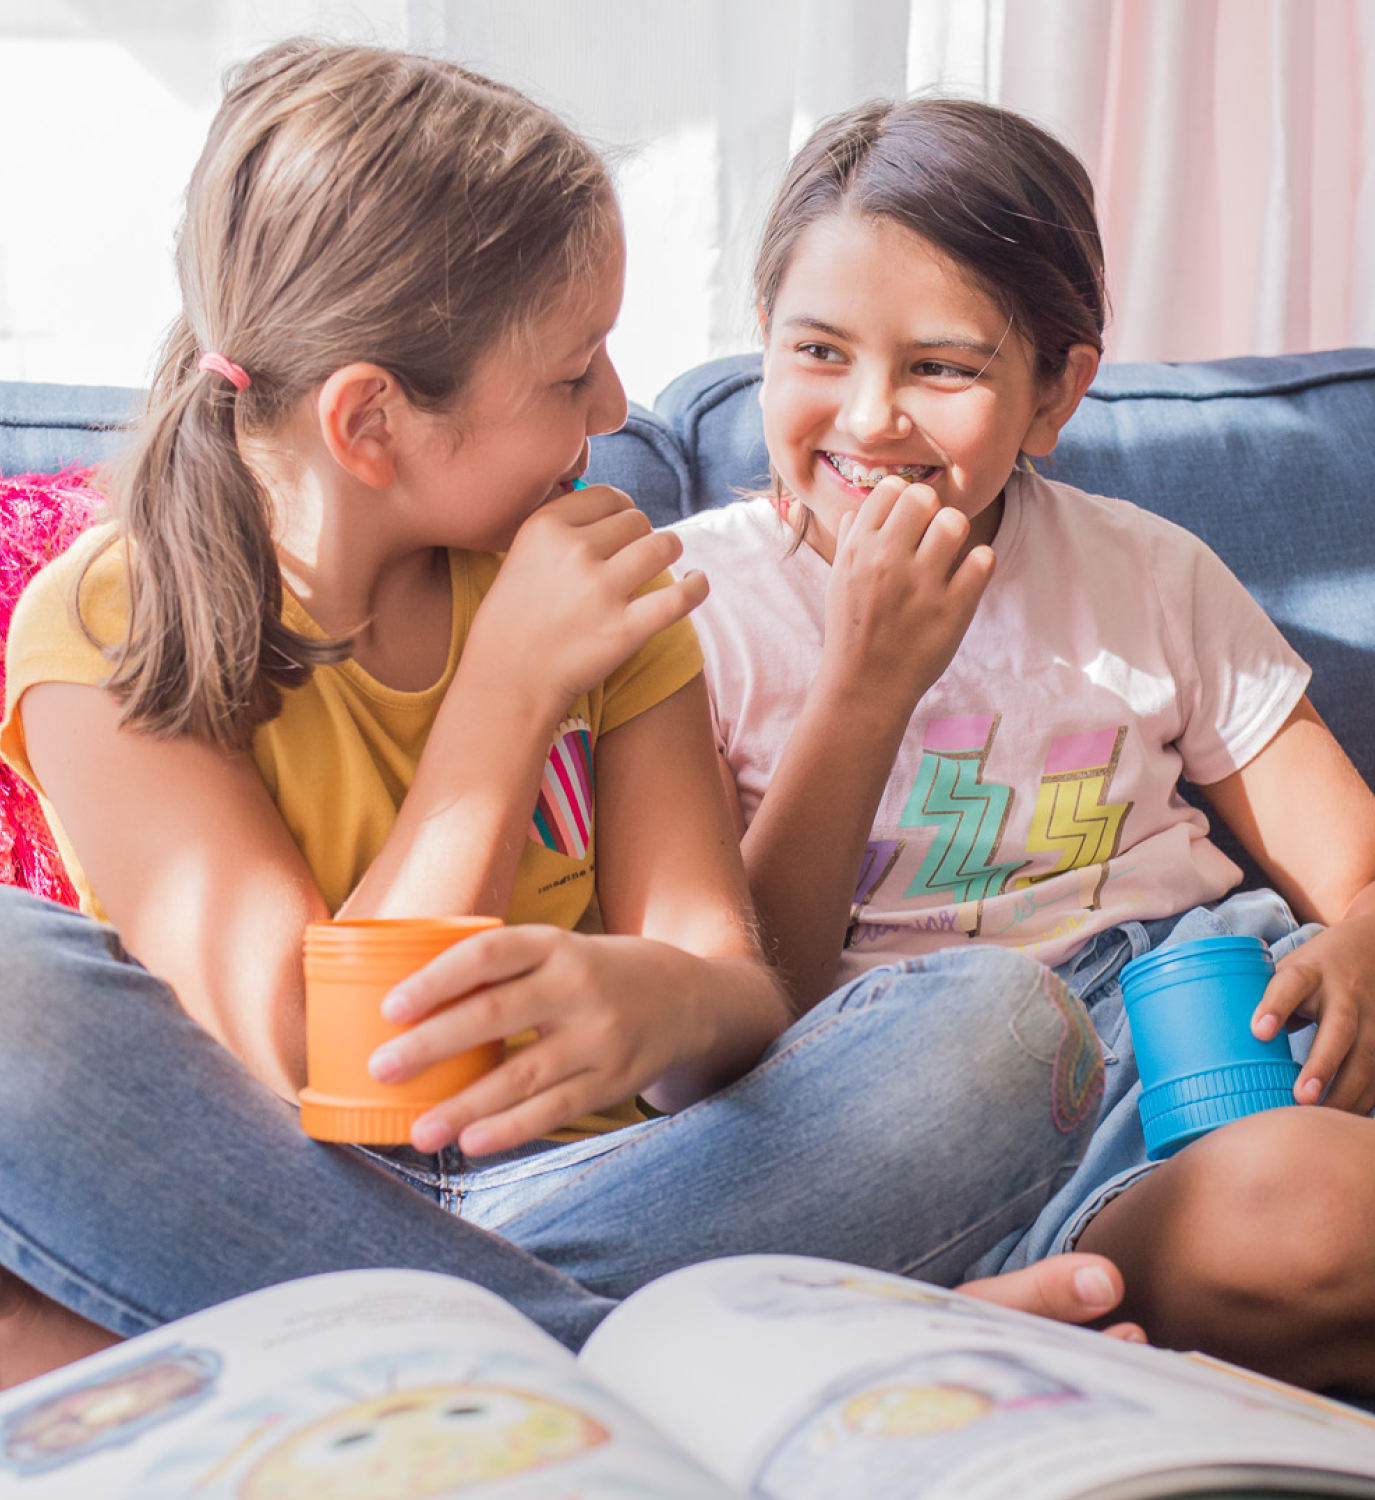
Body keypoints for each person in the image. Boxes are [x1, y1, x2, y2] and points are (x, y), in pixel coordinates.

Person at [0, 43, 1138, 1391]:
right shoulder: (114, 622)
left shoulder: (601, 570)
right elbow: (335, 1067)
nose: (614, 408)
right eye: (570, 373)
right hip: (274, 1198)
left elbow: (733, 992)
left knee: (1006, 1029)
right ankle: (681, 1365)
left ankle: (461, 1359)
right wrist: (506, 692)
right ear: (373, 423)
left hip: (624, 1188)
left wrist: (661, 1002)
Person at [670, 95, 1375, 1397]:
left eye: (942, 367)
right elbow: (730, 1014)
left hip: (1231, 1003)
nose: (872, 416)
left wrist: (1369, 958)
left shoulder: (1148, 573)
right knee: (1313, 1221)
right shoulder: (694, 609)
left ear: (1056, 392)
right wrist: (867, 684)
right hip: (968, 1103)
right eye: (818, 349)